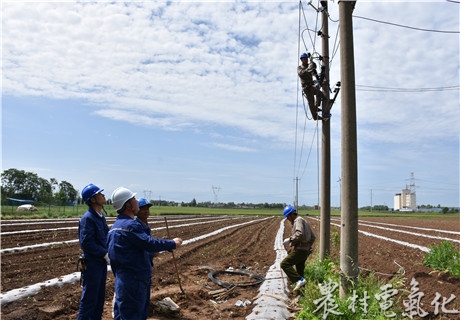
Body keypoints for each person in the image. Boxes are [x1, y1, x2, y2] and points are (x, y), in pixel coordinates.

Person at [108, 187, 183, 320]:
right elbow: (149, 243)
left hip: (123, 281)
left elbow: (133, 250)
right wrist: (172, 243)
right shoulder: (131, 226)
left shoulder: (115, 227)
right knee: (135, 315)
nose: (136, 201)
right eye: (134, 199)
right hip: (135, 283)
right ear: (128, 205)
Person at [78, 183, 110, 320]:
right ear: (93, 199)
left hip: (101, 264)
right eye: (99, 194)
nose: (103, 195)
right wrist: (104, 253)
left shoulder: (100, 216)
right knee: (90, 299)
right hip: (92, 265)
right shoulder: (88, 218)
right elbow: (86, 243)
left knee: (99, 298)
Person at [280, 205, 316, 292]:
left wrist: (290, 240)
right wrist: (307, 246)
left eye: (288, 217)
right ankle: (302, 294)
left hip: (300, 250)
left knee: (284, 264)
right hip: (305, 250)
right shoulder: (303, 220)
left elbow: (299, 234)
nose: (288, 219)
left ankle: (299, 280)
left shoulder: (298, 220)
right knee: (300, 272)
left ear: (292, 215)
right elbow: (313, 237)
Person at [297, 52, 328, 121]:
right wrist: (309, 68)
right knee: (311, 102)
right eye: (304, 59)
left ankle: (316, 107)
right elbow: (301, 73)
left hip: (311, 87)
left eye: (306, 59)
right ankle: (315, 117)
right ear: (301, 60)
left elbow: (314, 66)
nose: (306, 60)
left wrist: (311, 62)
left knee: (320, 94)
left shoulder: (309, 65)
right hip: (306, 88)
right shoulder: (300, 68)